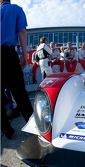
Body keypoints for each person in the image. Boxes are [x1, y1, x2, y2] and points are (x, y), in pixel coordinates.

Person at [1, 0, 33, 139]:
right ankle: (34, 127)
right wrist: (25, 55)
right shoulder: (15, 9)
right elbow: (22, 32)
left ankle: (6, 129)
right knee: (19, 92)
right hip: (8, 53)